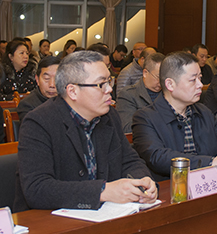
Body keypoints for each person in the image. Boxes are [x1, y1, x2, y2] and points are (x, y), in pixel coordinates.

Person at [13, 51, 157, 212]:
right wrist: (102, 191)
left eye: (109, 81)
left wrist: (143, 181)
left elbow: (129, 160)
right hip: (49, 219)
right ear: (72, 91)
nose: (110, 89)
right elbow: (37, 189)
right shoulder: (39, 122)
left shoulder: (109, 116)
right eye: (101, 84)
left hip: (104, 215)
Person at [131, 52, 217, 180]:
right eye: (193, 80)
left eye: (200, 78)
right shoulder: (145, 118)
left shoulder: (204, 112)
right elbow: (158, 157)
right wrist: (211, 163)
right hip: (171, 187)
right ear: (170, 84)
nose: (200, 85)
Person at [116, 53, 165, 133]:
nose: (162, 82)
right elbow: (127, 128)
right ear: (145, 73)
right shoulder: (128, 94)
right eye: (158, 77)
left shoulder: (168, 93)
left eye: (165, 78)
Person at [17, 56, 61, 120]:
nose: (52, 85)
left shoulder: (69, 101)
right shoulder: (27, 105)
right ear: (37, 80)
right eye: (46, 78)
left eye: (56, 79)